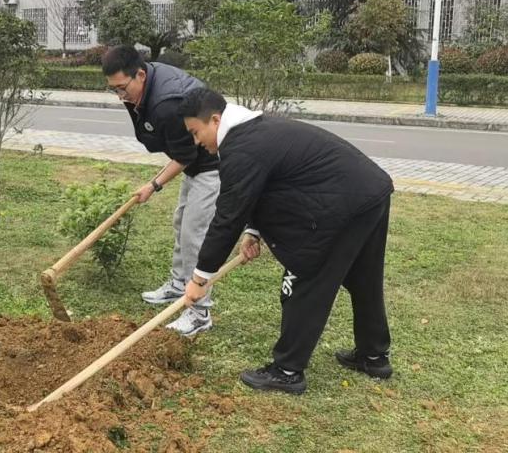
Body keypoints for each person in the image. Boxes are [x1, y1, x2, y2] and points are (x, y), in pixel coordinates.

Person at [178, 87, 394, 394]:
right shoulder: (254, 130)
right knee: (364, 279)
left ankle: (287, 371)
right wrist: (254, 232)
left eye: (195, 132)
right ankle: (374, 356)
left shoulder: (242, 148)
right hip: (371, 192)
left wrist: (200, 278)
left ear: (214, 120)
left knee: (303, 276)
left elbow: (227, 218)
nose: (196, 142)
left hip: (344, 204)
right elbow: (262, 187)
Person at [101, 45, 221, 336]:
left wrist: (153, 185)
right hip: (196, 162)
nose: (120, 96)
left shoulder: (167, 103)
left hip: (214, 163)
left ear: (140, 75)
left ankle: (199, 312)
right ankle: (180, 284)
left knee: (194, 235)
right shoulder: (142, 88)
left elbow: (185, 156)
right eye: (113, 89)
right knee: (181, 221)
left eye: (122, 88)